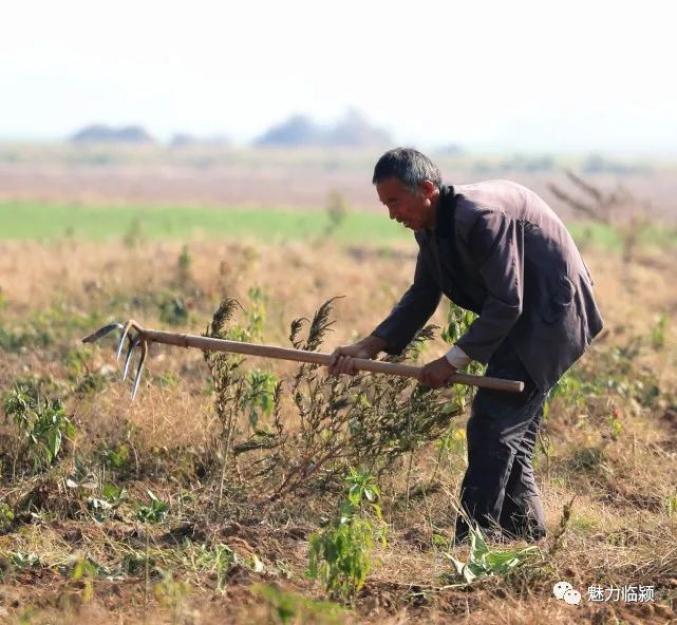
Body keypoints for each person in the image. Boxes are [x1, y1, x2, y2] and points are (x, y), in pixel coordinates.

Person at [328, 147, 603, 543]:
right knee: (513, 436)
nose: (391, 214)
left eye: (394, 202)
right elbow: (424, 290)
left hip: (551, 318)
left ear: (426, 189)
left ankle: (472, 543)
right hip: (521, 321)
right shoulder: (431, 224)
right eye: (385, 205)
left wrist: (451, 361)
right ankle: (526, 538)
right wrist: (369, 345)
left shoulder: (480, 217)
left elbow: (509, 301)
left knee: (492, 426)